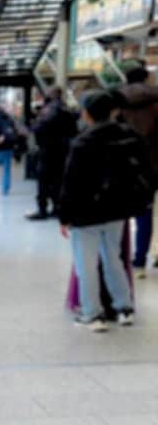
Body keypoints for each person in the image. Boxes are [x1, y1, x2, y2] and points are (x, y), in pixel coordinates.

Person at [59, 90, 151, 330]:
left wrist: (64, 215)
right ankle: (124, 308)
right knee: (114, 259)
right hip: (118, 208)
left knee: (86, 264)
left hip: (85, 212)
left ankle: (92, 314)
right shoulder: (131, 136)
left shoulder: (83, 142)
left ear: (87, 114)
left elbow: (71, 182)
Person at [118, 66, 158, 277]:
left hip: (128, 163)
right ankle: (148, 254)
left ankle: (136, 259)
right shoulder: (154, 100)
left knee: (132, 211)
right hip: (155, 162)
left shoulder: (117, 101)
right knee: (149, 213)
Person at [28, 86, 77, 220]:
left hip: (48, 149)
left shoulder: (50, 108)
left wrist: (34, 126)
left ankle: (42, 209)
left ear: (52, 94)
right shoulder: (66, 108)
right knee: (58, 181)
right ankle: (57, 208)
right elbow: (74, 130)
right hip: (63, 150)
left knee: (43, 181)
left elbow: (38, 126)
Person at [0, 106, 18, 195]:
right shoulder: (10, 120)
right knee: (7, 169)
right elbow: (15, 132)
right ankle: (5, 189)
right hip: (9, 147)